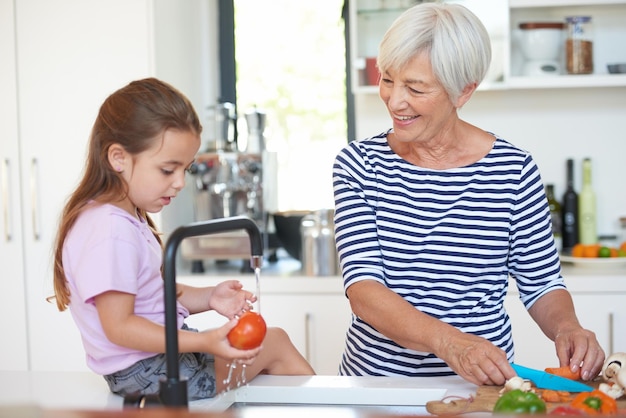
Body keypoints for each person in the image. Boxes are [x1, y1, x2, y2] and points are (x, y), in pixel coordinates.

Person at [332, 3, 604, 386]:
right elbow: (363, 290)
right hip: (377, 385)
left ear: (464, 91)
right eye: (388, 79)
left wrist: (567, 327)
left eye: (415, 87)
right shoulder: (359, 164)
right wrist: (451, 343)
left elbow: (541, 282)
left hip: (482, 389)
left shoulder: (513, 169)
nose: (395, 100)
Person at [51, 78, 314, 400]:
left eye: (185, 170)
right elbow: (119, 327)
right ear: (118, 157)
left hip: (149, 365)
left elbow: (152, 294)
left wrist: (210, 297)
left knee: (272, 345)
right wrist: (203, 341)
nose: (179, 183)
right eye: (167, 170)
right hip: (149, 371)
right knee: (275, 344)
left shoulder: (118, 219)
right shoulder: (110, 231)